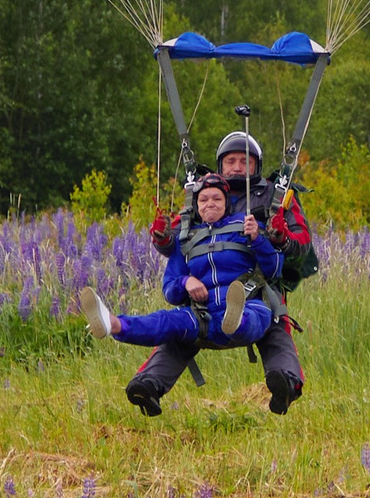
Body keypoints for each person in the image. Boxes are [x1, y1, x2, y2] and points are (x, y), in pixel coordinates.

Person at [133, 130, 314, 415]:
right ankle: (147, 386)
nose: (238, 167)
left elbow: (302, 242)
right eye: (231, 161)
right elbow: (177, 241)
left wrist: (280, 237)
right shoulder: (205, 195)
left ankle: (285, 385)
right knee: (181, 331)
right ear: (220, 165)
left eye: (245, 161)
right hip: (207, 295)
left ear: (256, 165)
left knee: (275, 328)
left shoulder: (273, 196)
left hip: (256, 290)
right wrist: (162, 237)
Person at [85, 175, 282, 416]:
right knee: (167, 321)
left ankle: (235, 319)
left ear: (227, 203)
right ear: (196, 206)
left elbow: (274, 269)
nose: (210, 203)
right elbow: (169, 288)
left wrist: (258, 240)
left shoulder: (247, 226)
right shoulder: (186, 239)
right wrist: (186, 281)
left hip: (249, 306)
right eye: (204, 199)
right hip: (204, 316)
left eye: (217, 199)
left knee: (255, 315)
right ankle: (112, 324)